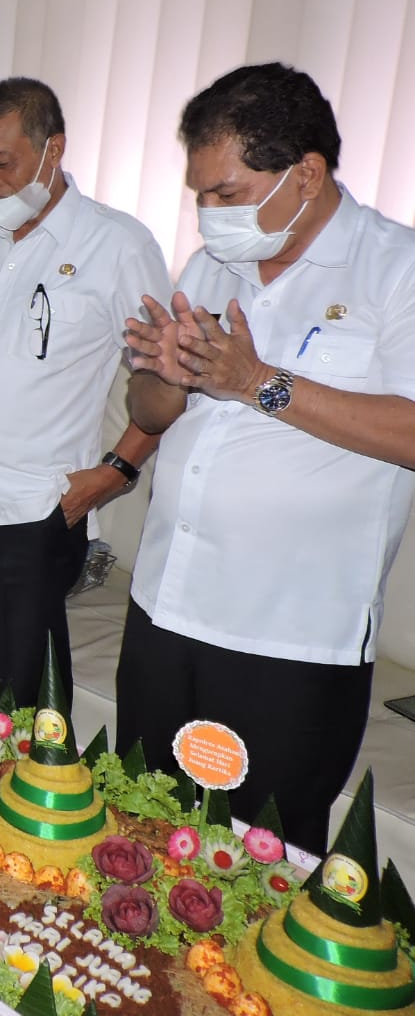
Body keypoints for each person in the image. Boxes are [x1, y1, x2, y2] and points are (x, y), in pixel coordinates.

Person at [120, 62, 415, 854]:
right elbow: (148, 414)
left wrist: (256, 382)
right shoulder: (214, 262)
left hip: (285, 639)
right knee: (136, 838)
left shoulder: (397, 268)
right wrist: (162, 376)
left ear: (305, 174)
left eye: (226, 193)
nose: (208, 216)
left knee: (257, 872)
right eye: (199, 196)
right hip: (163, 608)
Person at [0, 78, 171, 712]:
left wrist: (115, 473)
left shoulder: (118, 246)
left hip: (29, 509)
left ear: (54, 150)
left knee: (26, 707)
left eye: (3, 163)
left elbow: (166, 383)